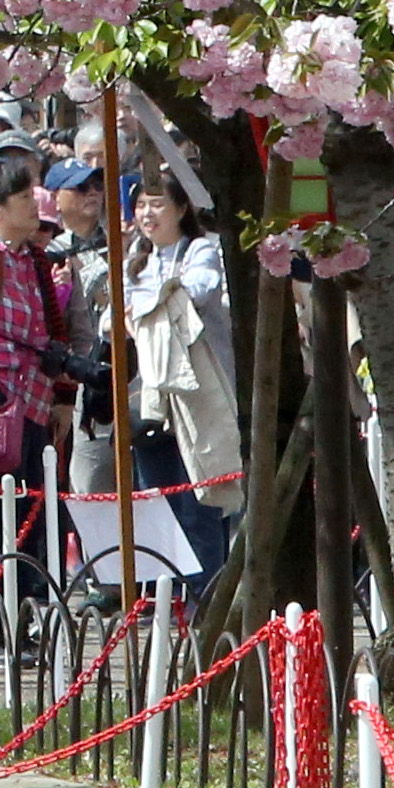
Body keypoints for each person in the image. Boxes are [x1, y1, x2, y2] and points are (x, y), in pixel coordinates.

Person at [0, 153, 68, 632]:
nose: (34, 206)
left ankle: (14, 623)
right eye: (23, 198)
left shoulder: (29, 259)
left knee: (25, 521)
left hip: (33, 405)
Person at [125, 169, 242, 580]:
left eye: (157, 203)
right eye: (140, 204)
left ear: (180, 208)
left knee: (200, 502)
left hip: (199, 392)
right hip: (152, 397)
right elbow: (111, 316)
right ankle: (169, 594)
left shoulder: (201, 251)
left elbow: (197, 291)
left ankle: (207, 594)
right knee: (159, 500)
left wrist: (143, 310)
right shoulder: (134, 261)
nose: (147, 213)